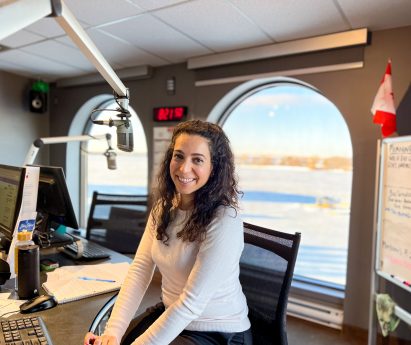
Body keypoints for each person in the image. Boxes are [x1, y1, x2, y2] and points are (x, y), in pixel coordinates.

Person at [84, 120, 252, 345]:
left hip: (217, 331)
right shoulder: (163, 207)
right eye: (179, 156)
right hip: (172, 313)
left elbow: (191, 303)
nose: (184, 168)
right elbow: (140, 269)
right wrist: (112, 333)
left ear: (215, 167)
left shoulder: (224, 220)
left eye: (198, 160)